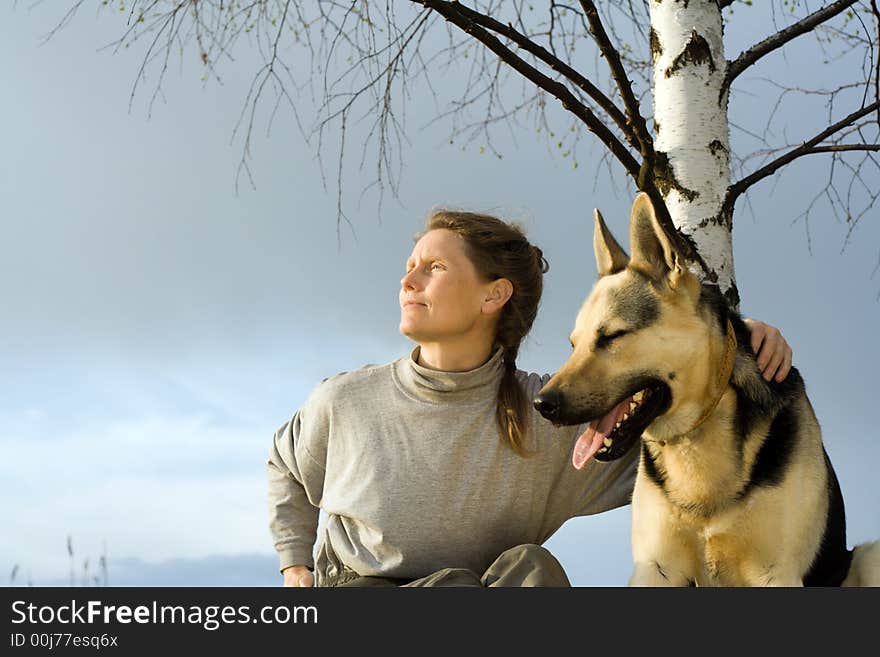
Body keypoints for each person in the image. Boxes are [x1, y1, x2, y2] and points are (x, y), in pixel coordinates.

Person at [266, 210, 793, 587]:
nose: (408, 280)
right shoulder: (347, 400)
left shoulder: (551, 417)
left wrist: (732, 342)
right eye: (410, 266)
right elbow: (286, 464)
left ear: (493, 295)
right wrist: (295, 567)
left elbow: (683, 440)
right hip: (359, 592)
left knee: (531, 569)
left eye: (434, 267)